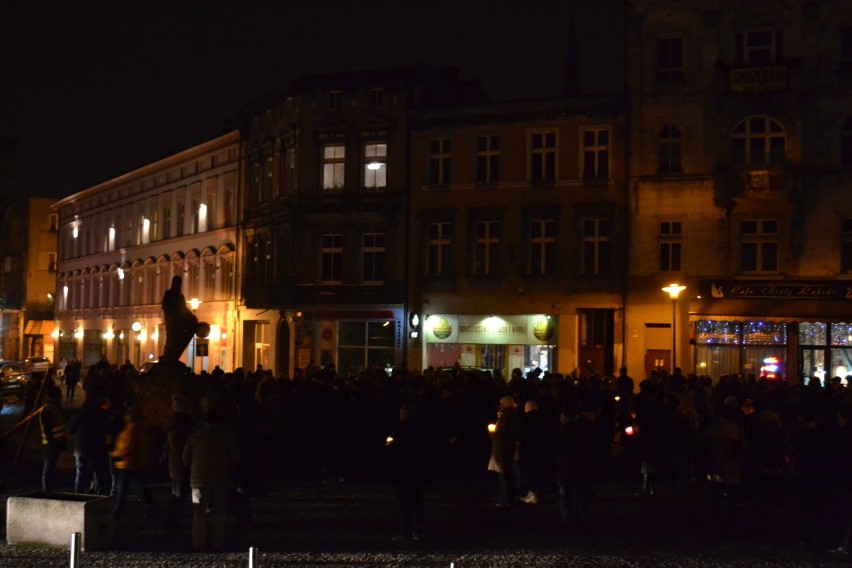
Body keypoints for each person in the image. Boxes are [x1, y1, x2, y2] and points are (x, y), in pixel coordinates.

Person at [183, 392, 241, 551]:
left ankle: (198, 542)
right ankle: (218, 541)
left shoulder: (194, 436)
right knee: (219, 511)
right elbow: (235, 458)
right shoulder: (226, 436)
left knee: (198, 512)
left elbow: (185, 458)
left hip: (197, 481)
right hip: (220, 480)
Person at [111, 405, 157, 520]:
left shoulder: (131, 429)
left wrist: (114, 454)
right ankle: (152, 508)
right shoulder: (142, 428)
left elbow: (126, 447)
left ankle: (117, 513)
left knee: (122, 490)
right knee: (140, 488)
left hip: (126, 464)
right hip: (136, 463)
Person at [389, 403, 426, 541]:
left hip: (404, 468)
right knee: (416, 498)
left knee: (405, 500)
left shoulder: (401, 428)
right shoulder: (421, 428)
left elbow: (397, 449)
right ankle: (419, 528)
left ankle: (408, 531)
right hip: (417, 467)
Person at [67, 389, 111, 494]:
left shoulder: (79, 413)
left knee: (80, 472)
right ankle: (100, 496)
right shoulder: (102, 413)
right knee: (99, 472)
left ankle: (78, 496)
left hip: (81, 446)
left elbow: (71, 429)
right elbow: (109, 429)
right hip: (98, 446)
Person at [164, 394, 194, 536]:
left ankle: (173, 523)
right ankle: (174, 525)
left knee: (177, 494)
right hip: (182, 463)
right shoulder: (185, 426)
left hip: (174, 463)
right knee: (179, 495)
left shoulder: (171, 424)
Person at [488, 395, 520, 510]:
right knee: (506, 473)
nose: (499, 405)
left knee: (504, 473)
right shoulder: (511, 414)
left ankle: (507, 499)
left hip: (502, 447)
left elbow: (501, 432)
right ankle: (508, 497)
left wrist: (493, 433)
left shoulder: (506, 416)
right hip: (506, 446)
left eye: (501, 403)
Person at [161, 275, 199, 365]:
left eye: (179, 284)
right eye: (177, 283)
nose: (178, 285)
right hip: (173, 321)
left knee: (179, 338)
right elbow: (166, 306)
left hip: (179, 321)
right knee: (172, 338)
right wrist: (174, 315)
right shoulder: (169, 294)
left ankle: (172, 356)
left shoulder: (180, 296)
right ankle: (168, 357)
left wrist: (191, 316)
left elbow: (183, 308)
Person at [39, 383, 67, 492]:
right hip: (50, 445)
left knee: (51, 468)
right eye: (59, 396)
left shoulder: (55, 407)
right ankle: (46, 491)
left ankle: (49, 489)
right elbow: (47, 430)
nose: (60, 398)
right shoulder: (47, 409)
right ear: (54, 397)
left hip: (56, 443)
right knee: (48, 468)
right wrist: (51, 445)